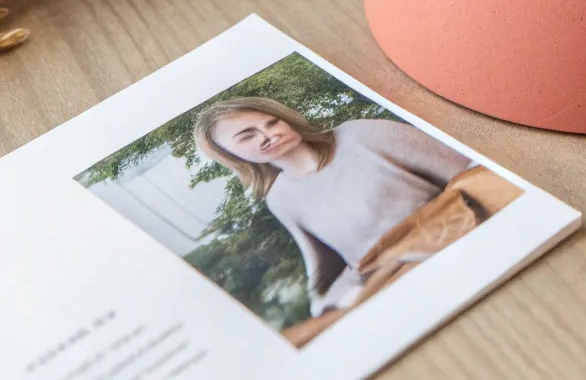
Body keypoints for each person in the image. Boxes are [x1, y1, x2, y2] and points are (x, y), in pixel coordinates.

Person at [194, 96, 477, 322]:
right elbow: (322, 271)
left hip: (462, 239)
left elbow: (470, 172)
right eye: (247, 136)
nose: (268, 135)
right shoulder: (280, 198)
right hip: (393, 279)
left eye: (271, 122)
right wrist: (330, 303)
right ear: (231, 155)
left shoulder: (360, 133)